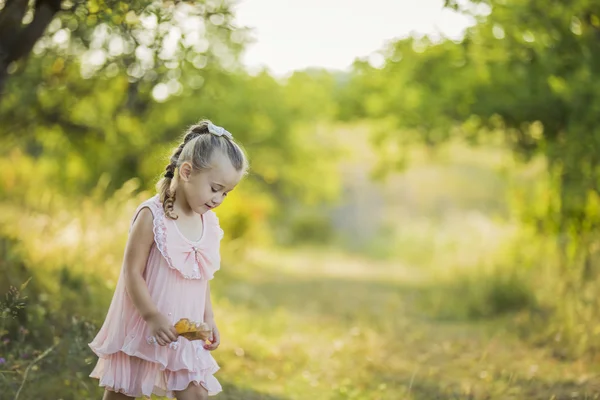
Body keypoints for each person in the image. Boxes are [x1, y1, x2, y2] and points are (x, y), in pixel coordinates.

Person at [89, 120, 248, 400]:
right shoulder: (153, 215)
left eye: (226, 192)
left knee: (195, 394)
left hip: (187, 328)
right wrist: (151, 316)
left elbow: (201, 278)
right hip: (146, 325)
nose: (219, 198)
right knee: (122, 394)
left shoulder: (207, 223)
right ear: (186, 172)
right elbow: (132, 272)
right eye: (215, 188)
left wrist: (208, 320)